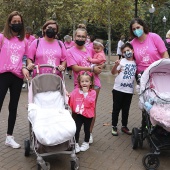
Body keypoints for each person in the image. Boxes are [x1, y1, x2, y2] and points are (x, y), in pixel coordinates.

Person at [67, 26, 102, 144]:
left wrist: (100, 67)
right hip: (79, 84)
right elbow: (75, 67)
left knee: (91, 108)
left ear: (86, 38)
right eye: (78, 36)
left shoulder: (90, 49)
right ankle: (73, 133)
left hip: (94, 84)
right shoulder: (70, 51)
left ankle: (89, 133)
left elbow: (99, 60)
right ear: (74, 37)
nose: (80, 38)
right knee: (76, 109)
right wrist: (91, 68)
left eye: (83, 36)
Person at [0, 11, 29, 149]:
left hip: (17, 77)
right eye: (14, 21)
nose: (17, 24)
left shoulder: (24, 41)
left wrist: (25, 67)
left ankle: (9, 137)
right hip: (3, 75)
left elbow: (25, 58)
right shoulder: (1, 38)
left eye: (19, 21)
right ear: (9, 22)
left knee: (13, 107)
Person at [111, 43, 136, 136]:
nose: (127, 53)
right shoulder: (121, 61)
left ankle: (124, 126)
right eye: (124, 52)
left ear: (133, 50)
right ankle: (114, 126)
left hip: (129, 91)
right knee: (116, 109)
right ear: (122, 54)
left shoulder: (136, 62)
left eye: (128, 50)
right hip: (118, 89)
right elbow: (113, 72)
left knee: (126, 109)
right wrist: (115, 65)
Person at [69, 71, 96, 153]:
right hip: (79, 114)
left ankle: (86, 142)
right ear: (79, 83)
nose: (84, 83)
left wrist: (85, 94)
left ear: (90, 83)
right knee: (76, 129)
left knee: (87, 130)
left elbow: (89, 103)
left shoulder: (92, 92)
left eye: (87, 81)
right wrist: (67, 95)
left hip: (88, 115)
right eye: (82, 81)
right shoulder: (76, 91)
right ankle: (76, 143)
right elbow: (71, 97)